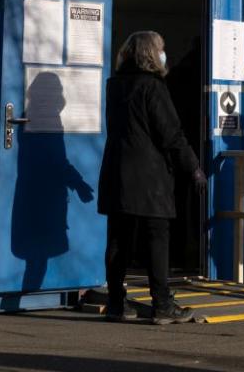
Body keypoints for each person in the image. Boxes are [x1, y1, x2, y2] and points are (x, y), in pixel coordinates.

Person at [97, 31, 206, 324]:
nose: (164, 53)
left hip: (117, 172)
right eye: (161, 49)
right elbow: (170, 133)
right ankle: (162, 305)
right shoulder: (153, 87)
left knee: (118, 240)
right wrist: (193, 167)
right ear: (150, 54)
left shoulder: (114, 85)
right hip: (149, 177)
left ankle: (117, 304)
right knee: (157, 237)